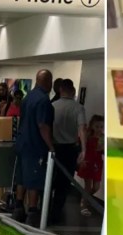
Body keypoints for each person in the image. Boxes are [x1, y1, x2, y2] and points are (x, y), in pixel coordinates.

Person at [12, 69, 55, 227]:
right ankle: (32, 211)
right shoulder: (43, 100)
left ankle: (18, 207)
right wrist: (51, 146)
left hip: (22, 144)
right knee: (34, 180)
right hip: (35, 146)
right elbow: (43, 125)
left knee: (22, 176)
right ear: (47, 82)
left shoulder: (27, 97)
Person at [50, 79, 87, 222]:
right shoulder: (78, 108)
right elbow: (82, 128)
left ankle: (44, 208)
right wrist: (84, 150)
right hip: (69, 149)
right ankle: (56, 213)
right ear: (72, 90)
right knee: (64, 183)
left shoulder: (52, 106)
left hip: (53, 148)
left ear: (60, 90)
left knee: (50, 179)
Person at [77, 115, 104, 216]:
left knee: (96, 187)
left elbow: (102, 151)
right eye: (97, 126)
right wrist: (81, 159)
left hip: (97, 163)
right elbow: (82, 147)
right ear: (92, 126)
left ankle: (85, 199)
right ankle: (84, 205)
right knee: (87, 185)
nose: (99, 129)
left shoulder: (102, 137)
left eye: (101, 127)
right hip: (88, 162)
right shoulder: (88, 136)